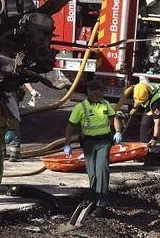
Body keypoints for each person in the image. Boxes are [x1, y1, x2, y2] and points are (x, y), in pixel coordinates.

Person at [64, 80, 123, 217]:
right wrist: (67, 144)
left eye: (102, 92)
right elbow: (70, 126)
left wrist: (118, 131)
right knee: (93, 174)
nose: (102, 94)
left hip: (104, 142)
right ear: (92, 93)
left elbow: (114, 118)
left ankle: (100, 205)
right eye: (100, 91)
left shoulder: (105, 104)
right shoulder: (81, 108)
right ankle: (93, 200)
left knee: (102, 170)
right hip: (89, 143)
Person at [117, 82, 160, 167]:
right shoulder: (139, 88)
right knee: (145, 126)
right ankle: (143, 153)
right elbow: (138, 98)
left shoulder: (157, 100)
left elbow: (157, 122)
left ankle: (155, 159)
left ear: (148, 94)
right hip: (150, 102)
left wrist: (154, 138)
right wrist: (135, 108)